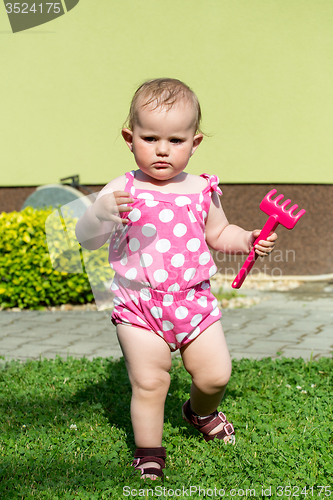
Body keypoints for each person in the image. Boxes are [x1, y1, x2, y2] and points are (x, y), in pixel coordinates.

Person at [75, 78, 277, 480]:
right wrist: (98, 215)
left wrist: (249, 239)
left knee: (215, 374)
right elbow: (88, 238)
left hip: (192, 301)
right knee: (151, 382)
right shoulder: (123, 188)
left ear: (195, 142)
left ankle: (198, 412)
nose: (162, 149)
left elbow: (219, 234)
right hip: (140, 304)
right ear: (129, 139)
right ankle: (150, 450)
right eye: (150, 138)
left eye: (175, 140)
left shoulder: (202, 189)